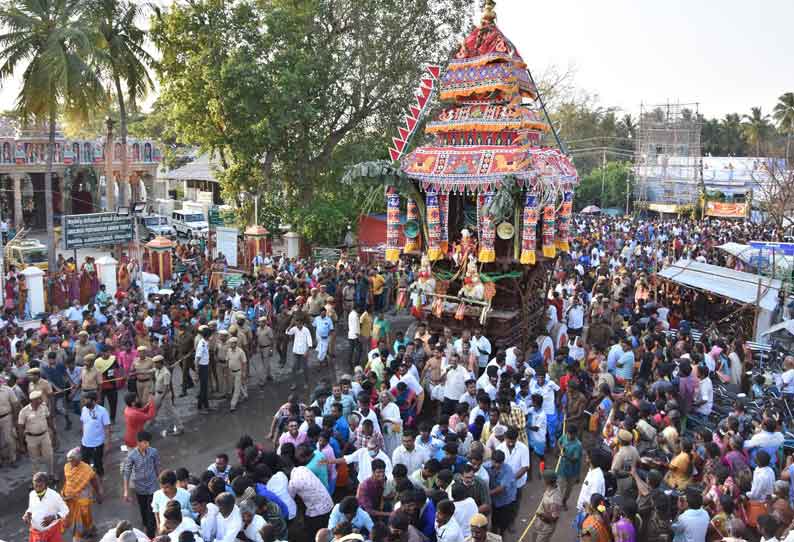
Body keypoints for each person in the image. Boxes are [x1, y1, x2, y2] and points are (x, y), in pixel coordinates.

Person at [122, 431, 160, 538]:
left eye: (148, 442)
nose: (147, 445)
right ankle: (146, 525)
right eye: (145, 442)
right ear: (138, 443)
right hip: (140, 488)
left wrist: (160, 481)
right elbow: (127, 472)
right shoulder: (131, 455)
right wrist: (126, 491)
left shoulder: (153, 452)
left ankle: (150, 534)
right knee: (143, 509)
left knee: (151, 510)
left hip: (153, 486)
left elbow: (157, 466)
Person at [62, 448, 102, 542]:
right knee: (73, 517)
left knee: (85, 515)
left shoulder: (86, 468)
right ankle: (78, 535)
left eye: (72, 460)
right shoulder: (66, 467)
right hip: (69, 498)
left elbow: (94, 480)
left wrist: (98, 493)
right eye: (69, 460)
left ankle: (88, 530)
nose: (70, 462)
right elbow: (69, 481)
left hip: (83, 497)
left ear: (79, 459)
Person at [18, 389, 55, 477]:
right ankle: (37, 478)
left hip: (44, 436)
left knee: (49, 456)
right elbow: (20, 428)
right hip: (31, 438)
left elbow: (48, 418)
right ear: (33, 401)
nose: (41, 400)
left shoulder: (44, 407)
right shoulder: (24, 411)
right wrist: (21, 444)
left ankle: (51, 474)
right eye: (39, 399)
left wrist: (53, 430)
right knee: (35, 460)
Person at [24, 472, 69, 542]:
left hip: (52, 533)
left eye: (40, 486)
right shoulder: (32, 494)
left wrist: (53, 517)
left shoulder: (54, 496)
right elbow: (31, 508)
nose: (37, 489)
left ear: (46, 485)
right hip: (36, 534)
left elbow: (66, 510)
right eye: (35, 485)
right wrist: (27, 513)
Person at [79, 391, 111, 477]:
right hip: (85, 443)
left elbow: (107, 427)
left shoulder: (103, 411)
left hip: (97, 444)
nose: (84, 402)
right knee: (84, 465)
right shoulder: (84, 409)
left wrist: (107, 443)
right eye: (84, 400)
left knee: (98, 465)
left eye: (87, 400)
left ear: (94, 401)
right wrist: (82, 437)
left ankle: (100, 482)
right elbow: (83, 423)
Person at [153, 355, 184, 435]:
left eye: (156, 363)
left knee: (171, 412)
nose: (155, 365)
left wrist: (162, 398)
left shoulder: (166, 373)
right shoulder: (157, 370)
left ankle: (180, 427)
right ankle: (170, 427)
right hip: (158, 393)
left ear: (160, 363)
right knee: (165, 412)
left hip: (164, 395)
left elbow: (167, 387)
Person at [532, 471, 562, 542]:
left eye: (543, 478)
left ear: (547, 482)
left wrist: (540, 514)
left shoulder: (554, 500)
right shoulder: (553, 486)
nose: (542, 480)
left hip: (546, 526)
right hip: (540, 522)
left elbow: (554, 518)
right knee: (534, 536)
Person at [286, 321, 312, 391]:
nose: (298, 326)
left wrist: (307, 351)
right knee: (294, 367)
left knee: (305, 368)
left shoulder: (306, 330)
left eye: (299, 324)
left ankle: (306, 382)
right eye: (296, 324)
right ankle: (294, 383)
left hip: (304, 352)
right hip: (296, 351)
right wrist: (290, 325)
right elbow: (288, 332)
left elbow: (309, 340)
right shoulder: (294, 328)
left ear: (302, 324)